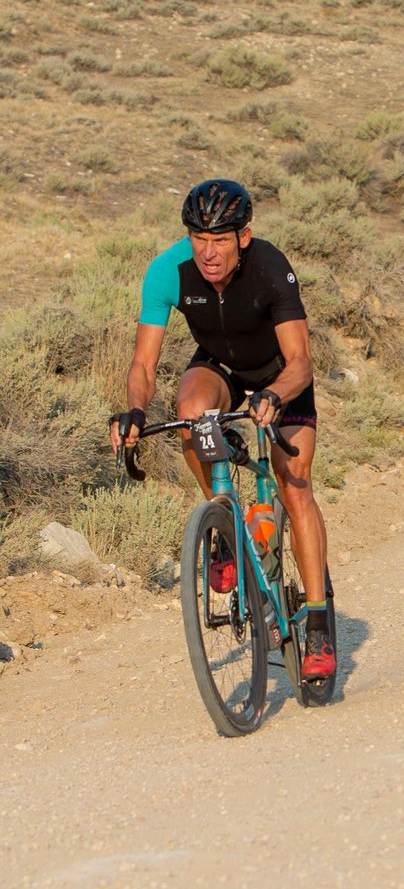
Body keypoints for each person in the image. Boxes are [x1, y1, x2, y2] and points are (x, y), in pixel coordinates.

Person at [109, 179, 335, 680]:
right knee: (191, 412)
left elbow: (301, 361)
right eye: (199, 238)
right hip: (220, 368)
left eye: (220, 240)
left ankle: (317, 621)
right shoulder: (168, 271)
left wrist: (275, 394)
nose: (208, 253)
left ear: (244, 237)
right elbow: (144, 364)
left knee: (295, 487)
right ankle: (227, 525)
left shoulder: (271, 268)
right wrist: (135, 411)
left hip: (279, 377)